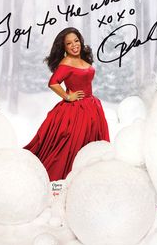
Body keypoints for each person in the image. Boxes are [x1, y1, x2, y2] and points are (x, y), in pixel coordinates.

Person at [23, 27, 110, 181]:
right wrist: (68, 96)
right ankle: (66, 179)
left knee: (90, 144)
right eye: (69, 43)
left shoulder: (82, 59)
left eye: (76, 41)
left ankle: (91, 178)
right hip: (76, 110)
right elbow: (53, 82)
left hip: (92, 107)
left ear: (80, 41)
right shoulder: (67, 61)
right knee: (70, 146)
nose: (74, 45)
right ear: (64, 47)